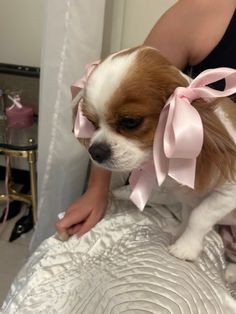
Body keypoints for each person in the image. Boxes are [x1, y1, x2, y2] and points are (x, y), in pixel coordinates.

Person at [56, 0, 236, 238]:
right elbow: (137, 72)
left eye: (130, 122)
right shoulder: (202, 10)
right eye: (93, 124)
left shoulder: (215, 129)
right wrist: (96, 190)